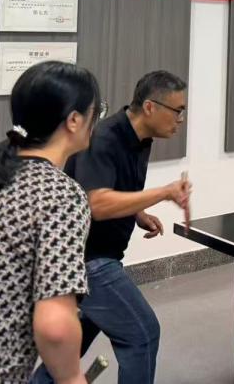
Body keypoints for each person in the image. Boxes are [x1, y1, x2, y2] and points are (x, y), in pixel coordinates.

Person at [31, 70, 192, 384]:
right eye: (178, 110)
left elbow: (106, 186)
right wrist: (164, 192)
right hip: (86, 260)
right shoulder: (104, 138)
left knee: (73, 342)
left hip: (94, 255)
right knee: (142, 334)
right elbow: (96, 203)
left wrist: (138, 212)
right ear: (150, 107)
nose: (181, 119)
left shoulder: (140, 139)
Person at [0, 61, 103, 384]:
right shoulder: (60, 195)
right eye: (96, 112)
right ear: (74, 120)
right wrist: (72, 378)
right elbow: (55, 326)